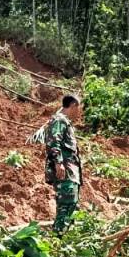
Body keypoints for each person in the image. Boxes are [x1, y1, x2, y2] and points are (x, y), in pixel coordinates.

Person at [44, 93, 83, 233]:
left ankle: (65, 238)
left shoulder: (64, 121)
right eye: (79, 108)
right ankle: (59, 237)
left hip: (69, 171)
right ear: (73, 106)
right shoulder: (59, 121)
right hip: (65, 171)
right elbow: (54, 141)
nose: (79, 112)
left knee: (71, 205)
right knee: (66, 205)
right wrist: (58, 163)